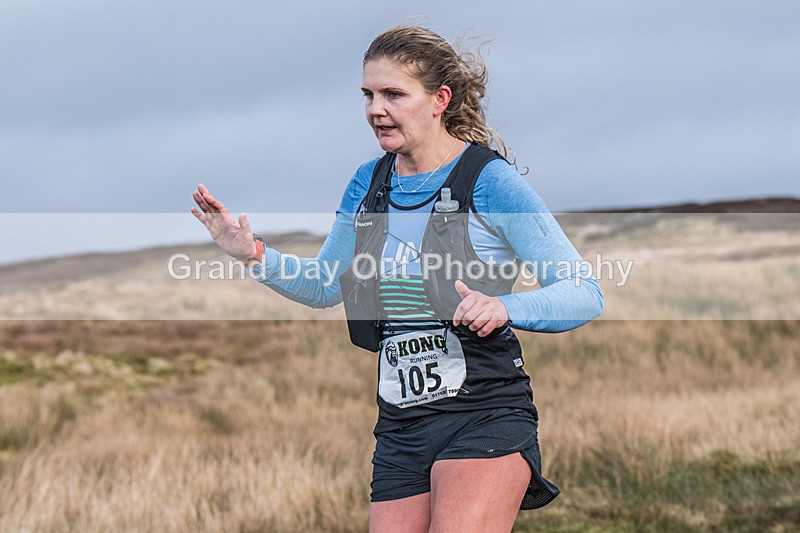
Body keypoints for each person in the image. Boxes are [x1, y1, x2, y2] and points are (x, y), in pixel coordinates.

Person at [192, 25, 603, 533]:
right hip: (401, 427)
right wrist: (253, 254)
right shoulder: (368, 184)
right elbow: (325, 285)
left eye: (393, 94)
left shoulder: (490, 182)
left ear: (439, 100)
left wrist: (505, 307)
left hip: (484, 412)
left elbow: (584, 293)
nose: (375, 109)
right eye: (368, 95)